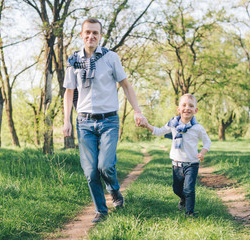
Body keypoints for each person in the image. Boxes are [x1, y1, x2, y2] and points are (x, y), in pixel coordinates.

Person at [63, 18, 147, 223]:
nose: (91, 36)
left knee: (105, 166)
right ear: (82, 35)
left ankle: (114, 190)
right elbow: (69, 92)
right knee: (90, 171)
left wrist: (137, 111)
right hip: (84, 122)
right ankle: (101, 210)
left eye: (95, 33)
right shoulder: (73, 60)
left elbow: (126, 86)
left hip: (109, 120)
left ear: (100, 36)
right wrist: (66, 120)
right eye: (88, 32)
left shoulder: (111, 58)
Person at [141, 93, 211, 217]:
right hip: (176, 164)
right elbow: (158, 131)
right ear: (178, 109)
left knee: (189, 189)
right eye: (184, 105)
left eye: (191, 106)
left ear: (196, 110)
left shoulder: (197, 128)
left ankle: (189, 212)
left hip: (192, 164)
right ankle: (183, 199)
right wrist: (147, 125)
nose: (187, 108)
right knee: (177, 189)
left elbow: (207, 141)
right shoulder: (173, 124)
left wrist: (202, 153)